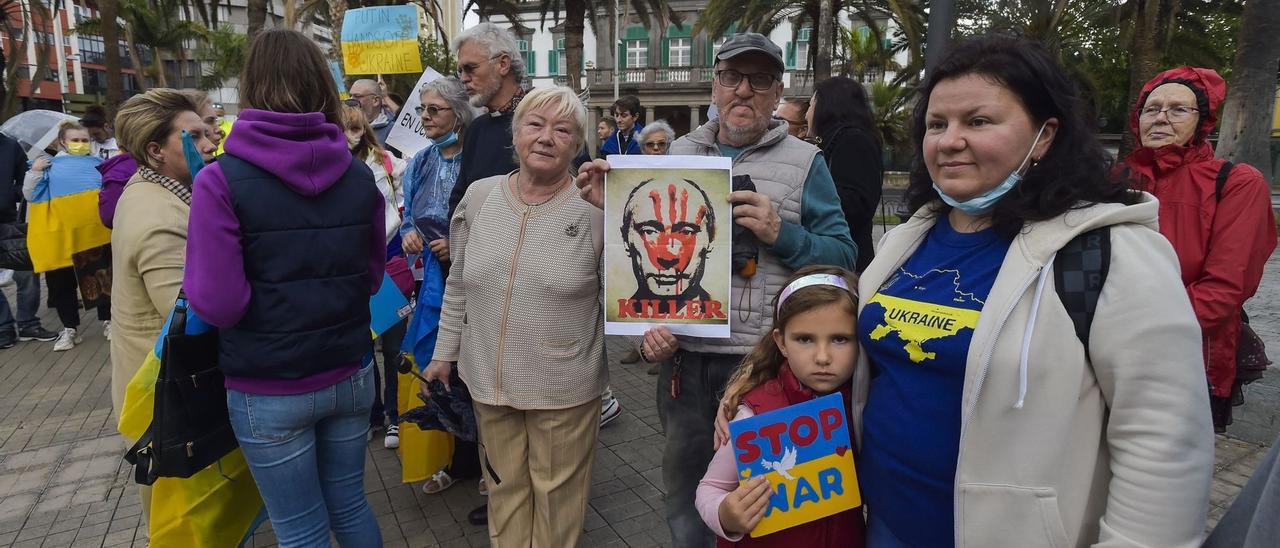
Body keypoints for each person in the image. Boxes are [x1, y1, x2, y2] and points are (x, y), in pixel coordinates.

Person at [850, 36, 1211, 547]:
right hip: (886, 524)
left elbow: (1164, 441)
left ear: (1045, 136)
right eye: (936, 124)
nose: (949, 140)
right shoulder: (905, 240)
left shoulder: (1110, 253)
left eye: (978, 121)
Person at [577, 31, 857, 547]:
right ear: (715, 85)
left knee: (768, 506)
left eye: (759, 80)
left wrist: (783, 234)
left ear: (778, 93)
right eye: (732, 77)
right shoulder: (678, 153)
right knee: (686, 497)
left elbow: (844, 257)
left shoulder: (805, 163)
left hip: (767, 369)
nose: (743, 91)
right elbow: (643, 265)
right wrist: (647, 338)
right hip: (687, 366)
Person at [184, 29, 385, 547]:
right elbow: (372, 279)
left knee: (299, 528)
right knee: (350, 504)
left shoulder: (219, 180)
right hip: (350, 371)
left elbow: (219, 303)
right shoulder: (360, 177)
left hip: (268, 384)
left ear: (252, 88)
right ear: (321, 84)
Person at [424, 86, 604, 547]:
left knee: (557, 505)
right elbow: (459, 283)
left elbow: (628, 298)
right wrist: (445, 353)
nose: (546, 138)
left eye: (562, 129)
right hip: (489, 383)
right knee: (504, 493)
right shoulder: (481, 198)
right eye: (535, 124)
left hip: (563, 389)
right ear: (516, 133)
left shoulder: (597, 210)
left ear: (577, 142)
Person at [1121, 67, 1277, 433]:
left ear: (1202, 121)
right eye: (1151, 108)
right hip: (1107, 353)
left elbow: (1225, 288)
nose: (1160, 117)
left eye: (1177, 109)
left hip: (1187, 358)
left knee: (1165, 473)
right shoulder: (1117, 181)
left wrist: (1133, 333)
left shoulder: (1236, 183)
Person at [109, 88, 218, 523]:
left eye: (208, 133)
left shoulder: (161, 192)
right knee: (187, 521)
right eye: (193, 137)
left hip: (167, 394)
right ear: (155, 150)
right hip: (169, 403)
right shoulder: (161, 218)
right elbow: (190, 317)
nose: (209, 144)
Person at [697, 266, 865, 547]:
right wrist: (725, 515)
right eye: (804, 339)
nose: (822, 357)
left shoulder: (864, 407)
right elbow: (711, 487)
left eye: (840, 339)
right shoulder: (754, 412)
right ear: (781, 342)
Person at [396, 76, 487, 494]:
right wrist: (410, 231)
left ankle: (485, 464)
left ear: (459, 113)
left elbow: (491, 216)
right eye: (422, 110)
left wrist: (460, 245)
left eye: (434, 110)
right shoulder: (419, 161)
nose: (425, 118)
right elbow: (409, 212)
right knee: (440, 369)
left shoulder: (477, 158)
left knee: (475, 373)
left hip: (474, 281)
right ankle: (454, 459)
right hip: (430, 283)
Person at [339, 103, 409, 449]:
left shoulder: (385, 160)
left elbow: (413, 185)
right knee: (361, 349)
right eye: (342, 129)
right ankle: (373, 414)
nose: (349, 136)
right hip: (349, 268)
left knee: (394, 347)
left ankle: (396, 417)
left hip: (389, 263)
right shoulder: (327, 168)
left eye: (353, 128)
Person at [23, 121, 111, 351]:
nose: (80, 144)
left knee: (102, 277)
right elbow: (30, 195)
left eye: (84, 140)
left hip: (93, 235)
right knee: (61, 285)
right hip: (60, 237)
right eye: (75, 140)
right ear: (62, 141)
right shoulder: (47, 166)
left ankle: (109, 321)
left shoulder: (99, 165)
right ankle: (69, 328)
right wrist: (34, 172)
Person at [807, 77, 883, 273]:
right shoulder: (839, 140)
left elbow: (856, 203)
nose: (807, 114)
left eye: (811, 104)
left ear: (826, 107)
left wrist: (805, 199)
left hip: (846, 263)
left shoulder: (853, 140)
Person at [0, 133, 57, 348]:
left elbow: (23, 177)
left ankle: (28, 323)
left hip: (8, 221)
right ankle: (4, 326)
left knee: (27, 271)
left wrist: (9, 194)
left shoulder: (9, 145)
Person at [349, 79, 397, 147]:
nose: (350, 100)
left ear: (375, 101)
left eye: (357, 96)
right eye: (350, 96)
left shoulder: (393, 131)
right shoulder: (342, 127)